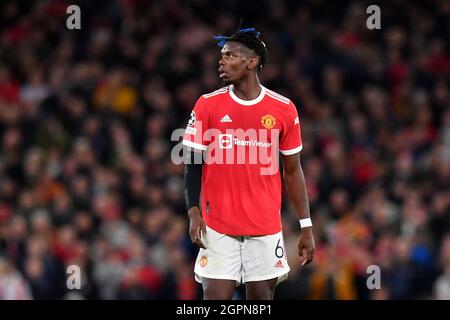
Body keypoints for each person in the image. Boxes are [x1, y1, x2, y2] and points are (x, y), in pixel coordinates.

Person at [182, 28, 315, 300]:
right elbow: (192, 164)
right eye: (221, 56)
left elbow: (292, 171)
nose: (221, 61)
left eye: (230, 55)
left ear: (252, 62)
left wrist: (306, 225)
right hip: (217, 226)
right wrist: (193, 211)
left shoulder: (283, 109)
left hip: (265, 228)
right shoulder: (207, 105)